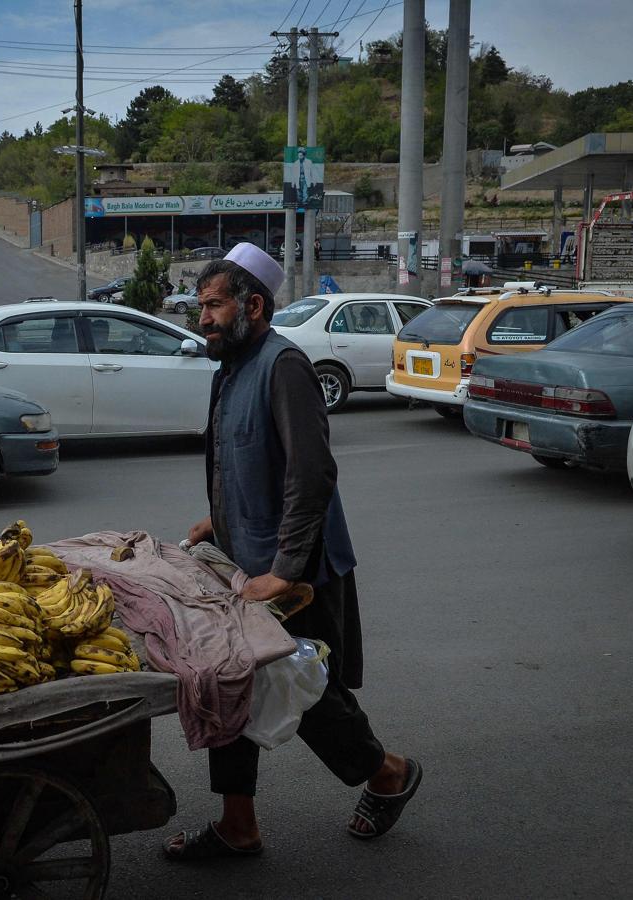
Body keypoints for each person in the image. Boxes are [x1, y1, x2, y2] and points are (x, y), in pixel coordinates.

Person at [164, 242, 420, 861]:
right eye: (200, 306)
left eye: (214, 305)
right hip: (247, 562)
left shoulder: (284, 367)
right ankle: (239, 825)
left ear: (253, 305)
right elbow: (249, 461)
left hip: (296, 572)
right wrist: (219, 522)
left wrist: (282, 573)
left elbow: (310, 476)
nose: (202, 318)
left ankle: (389, 773)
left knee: (306, 695)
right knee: (236, 685)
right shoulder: (233, 367)